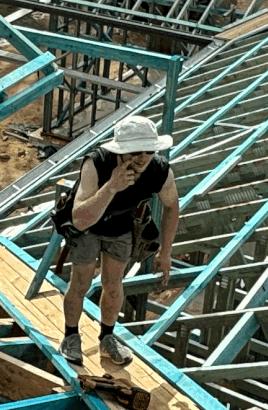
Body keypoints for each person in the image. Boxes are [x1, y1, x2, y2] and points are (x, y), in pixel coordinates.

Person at [56, 112, 182, 367]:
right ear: (121, 152)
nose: (142, 158)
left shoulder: (158, 170)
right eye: (134, 152)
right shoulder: (97, 163)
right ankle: (71, 336)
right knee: (80, 281)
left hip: (122, 226)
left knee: (113, 284)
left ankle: (107, 336)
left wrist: (165, 253)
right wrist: (112, 186)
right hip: (90, 225)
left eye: (147, 150)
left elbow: (172, 206)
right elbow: (80, 218)